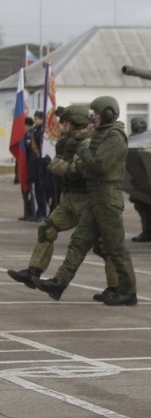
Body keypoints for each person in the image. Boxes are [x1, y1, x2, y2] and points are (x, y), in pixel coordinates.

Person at [8, 104, 121, 301]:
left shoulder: (87, 143)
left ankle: (117, 289)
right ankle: (33, 271)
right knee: (47, 228)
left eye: (66, 122)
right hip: (70, 200)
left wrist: (53, 165)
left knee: (105, 247)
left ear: (76, 123)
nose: (62, 125)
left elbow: (75, 170)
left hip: (89, 202)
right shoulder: (69, 142)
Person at [33, 96, 138, 306]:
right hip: (95, 197)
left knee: (115, 248)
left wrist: (81, 151)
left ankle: (128, 292)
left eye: (97, 114)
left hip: (107, 198)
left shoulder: (115, 137)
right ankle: (59, 283)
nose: (94, 118)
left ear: (108, 114)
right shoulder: (101, 134)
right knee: (78, 242)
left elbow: (100, 166)